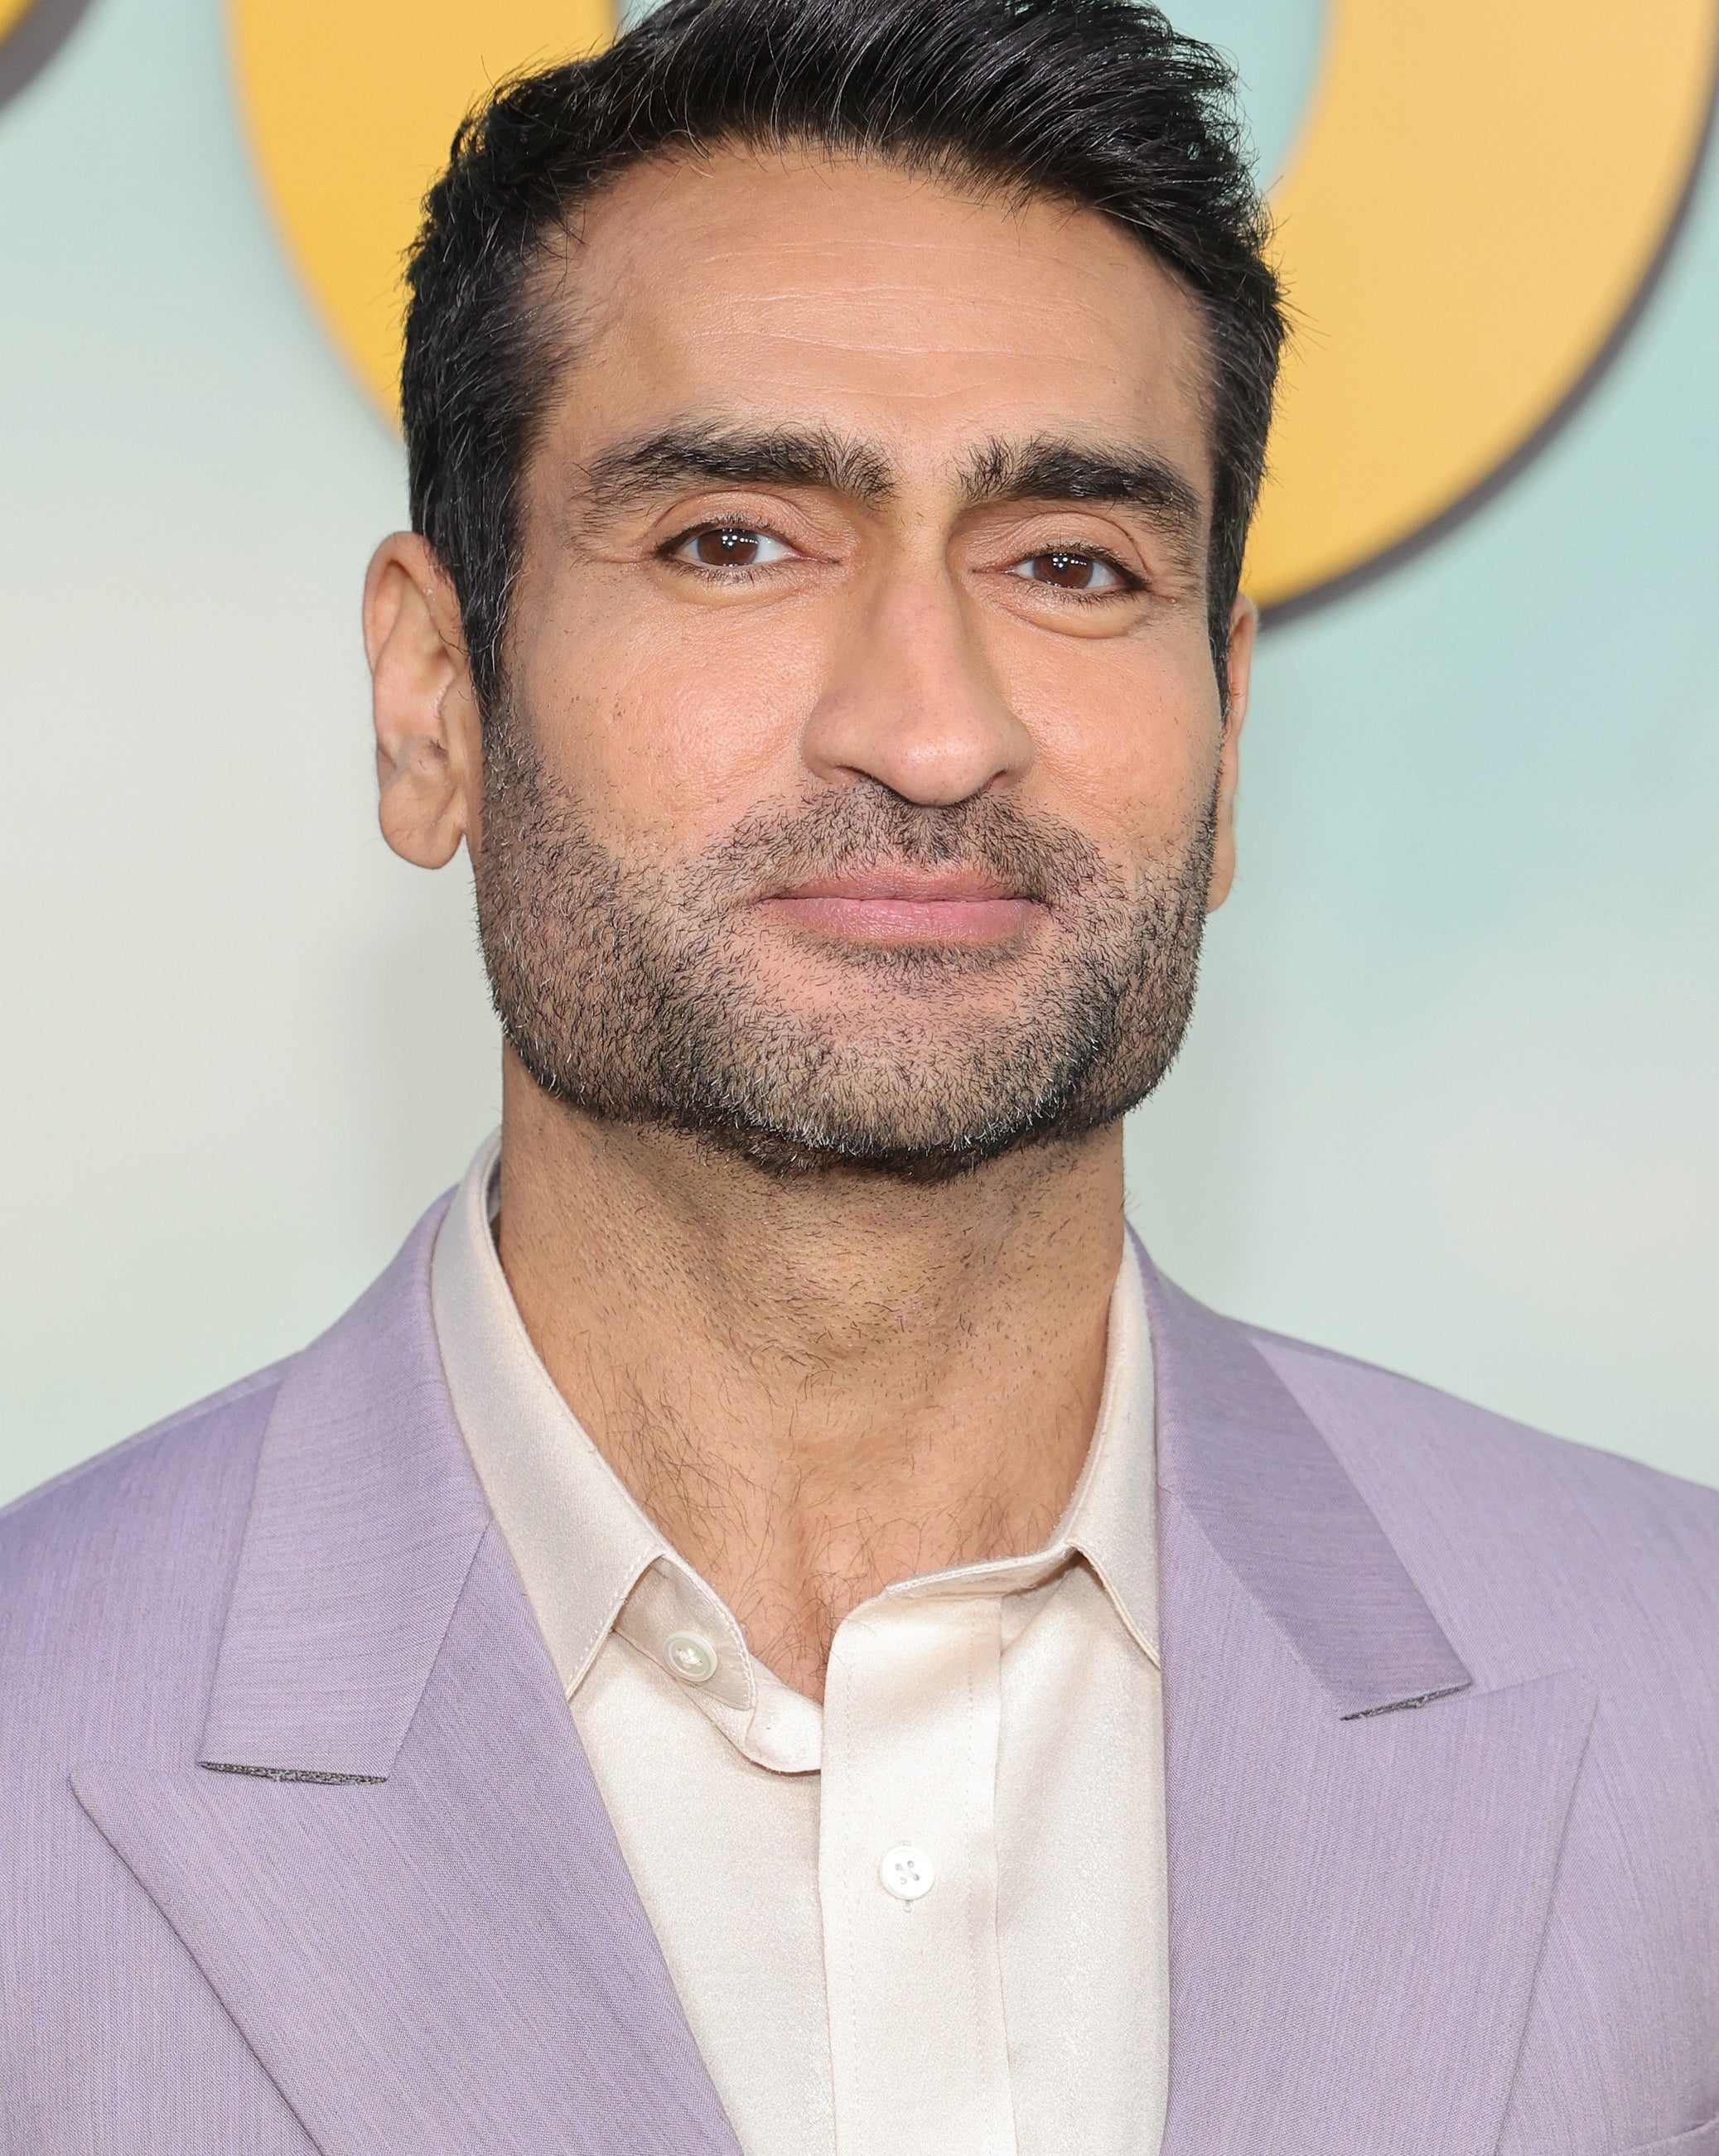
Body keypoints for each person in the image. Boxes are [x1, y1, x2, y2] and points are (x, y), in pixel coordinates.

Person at [5, 0, 1718, 2149]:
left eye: (1070, 565)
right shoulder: (26, 1755)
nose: (928, 727)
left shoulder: (1683, 1717)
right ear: (433, 694)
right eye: (736, 537)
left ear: (1226, 730)